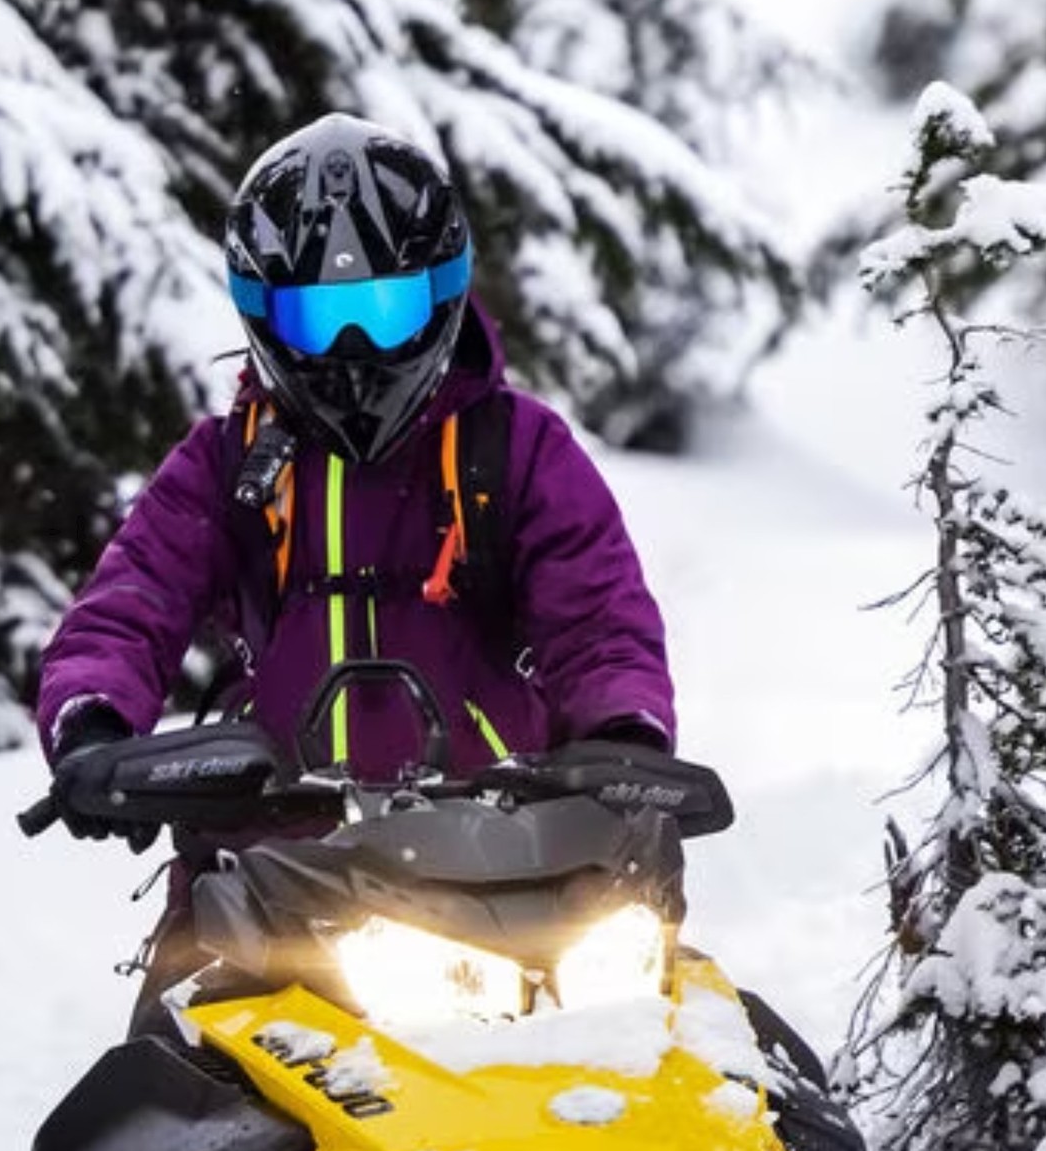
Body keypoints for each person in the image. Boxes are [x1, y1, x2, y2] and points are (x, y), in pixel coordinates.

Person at [36, 112, 677, 1036]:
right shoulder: (228, 463)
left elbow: (600, 614)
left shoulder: (517, 448)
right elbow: (129, 603)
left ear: (441, 298)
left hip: (510, 855)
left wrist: (625, 734)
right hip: (278, 869)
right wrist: (94, 723)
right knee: (158, 1102)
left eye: (383, 313)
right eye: (317, 318)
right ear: (264, 319)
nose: (352, 352)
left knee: (681, 1040)